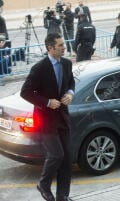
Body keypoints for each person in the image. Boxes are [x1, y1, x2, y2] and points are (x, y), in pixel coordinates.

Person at [20, 33, 75, 201]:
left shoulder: (66, 64)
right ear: (50, 48)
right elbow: (26, 92)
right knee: (56, 155)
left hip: (62, 117)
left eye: (63, 45)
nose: (64, 48)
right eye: (60, 45)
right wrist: (47, 102)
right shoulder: (39, 68)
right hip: (46, 119)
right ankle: (43, 185)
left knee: (66, 159)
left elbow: (71, 82)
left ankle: (62, 196)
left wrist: (70, 93)